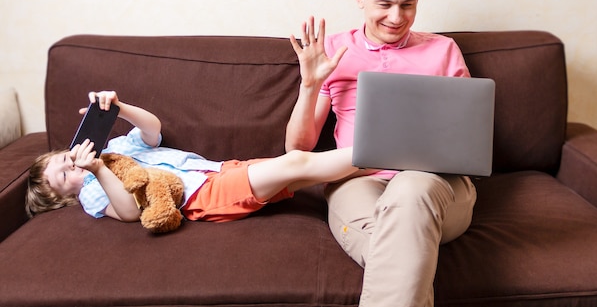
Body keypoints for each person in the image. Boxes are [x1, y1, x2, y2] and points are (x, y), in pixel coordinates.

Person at [285, 0, 477, 307]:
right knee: (404, 250)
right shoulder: (332, 51)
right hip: (358, 181)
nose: (396, 17)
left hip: (436, 183)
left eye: (408, 5)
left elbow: (467, 137)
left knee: (410, 189)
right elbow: (298, 149)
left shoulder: (444, 50)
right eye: (385, 4)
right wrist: (309, 85)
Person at [26, 90, 371, 223]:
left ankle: (383, 166)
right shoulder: (90, 191)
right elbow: (130, 212)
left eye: (65, 158)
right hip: (204, 196)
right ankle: (390, 150)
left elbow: (152, 130)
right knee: (297, 161)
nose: (72, 164)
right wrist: (96, 169)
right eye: (64, 175)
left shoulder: (117, 147)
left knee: (306, 174)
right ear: (62, 198)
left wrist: (119, 109)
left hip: (218, 170)